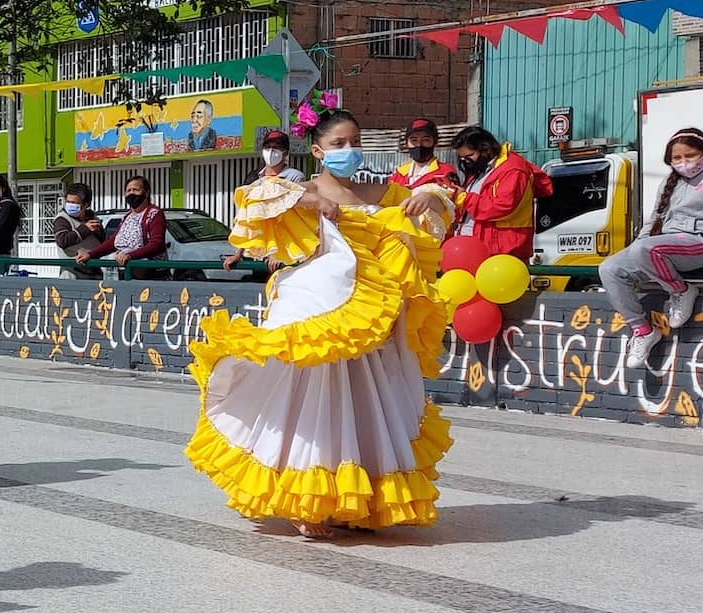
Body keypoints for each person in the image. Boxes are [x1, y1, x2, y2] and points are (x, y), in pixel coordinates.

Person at [187, 108, 457, 538]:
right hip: (320, 308)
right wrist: (311, 200)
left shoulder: (379, 191)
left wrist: (431, 197)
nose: (349, 150)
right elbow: (254, 200)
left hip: (373, 316)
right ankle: (305, 499)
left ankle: (357, 501)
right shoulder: (303, 189)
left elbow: (440, 204)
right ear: (317, 150)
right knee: (315, 400)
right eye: (339, 144)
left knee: (367, 402)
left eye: (355, 142)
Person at [599, 127, 703, 368]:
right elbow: (654, 221)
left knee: (645, 250)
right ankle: (641, 330)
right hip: (665, 245)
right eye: (677, 158)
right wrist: (633, 250)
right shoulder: (670, 182)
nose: (684, 163)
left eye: (690, 155)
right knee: (609, 268)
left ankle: (681, 291)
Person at [449, 126, 549, 261]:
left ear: (486, 150)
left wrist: (463, 198)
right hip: (477, 248)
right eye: (461, 158)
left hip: (503, 252)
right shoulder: (481, 170)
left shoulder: (513, 169)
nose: (466, 162)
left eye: (469, 156)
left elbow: (502, 206)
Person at [224, 133, 304, 272]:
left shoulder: (293, 177)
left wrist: (278, 254)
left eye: (277, 147)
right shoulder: (255, 179)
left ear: (285, 152)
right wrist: (238, 254)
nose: (271, 151)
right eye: (268, 147)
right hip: (259, 252)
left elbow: (292, 218)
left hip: (284, 254)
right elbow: (248, 219)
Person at [78, 175, 167, 275]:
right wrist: (90, 255)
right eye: (128, 190)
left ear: (146, 193)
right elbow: (113, 242)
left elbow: (156, 244)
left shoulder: (154, 214)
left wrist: (131, 255)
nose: (131, 193)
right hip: (126, 270)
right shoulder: (127, 216)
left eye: (136, 190)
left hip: (150, 273)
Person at [50, 183, 106, 279]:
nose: (70, 205)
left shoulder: (93, 218)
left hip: (94, 272)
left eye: (74, 203)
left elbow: (103, 242)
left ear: (86, 205)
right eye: (68, 202)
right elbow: (62, 240)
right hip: (72, 273)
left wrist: (98, 232)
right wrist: (85, 229)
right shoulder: (62, 219)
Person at [389, 118, 458, 191]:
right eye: (414, 140)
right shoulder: (398, 175)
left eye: (425, 140)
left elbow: (453, 199)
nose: (419, 144)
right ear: (406, 144)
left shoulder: (445, 172)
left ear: (435, 142)